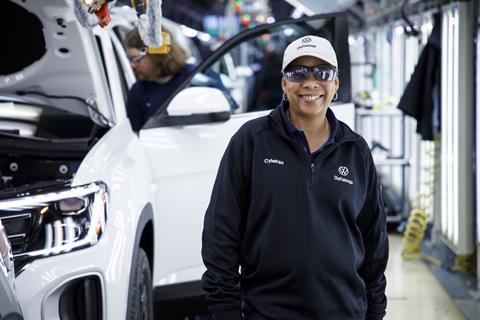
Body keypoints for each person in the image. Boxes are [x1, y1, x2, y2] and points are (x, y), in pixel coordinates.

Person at [201, 35, 389, 319]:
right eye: (298, 72)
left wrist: (375, 313)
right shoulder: (251, 141)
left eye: (323, 73)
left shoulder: (355, 150)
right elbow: (221, 236)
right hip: (266, 313)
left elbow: (374, 245)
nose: (310, 83)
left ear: (336, 84)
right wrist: (226, 312)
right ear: (284, 83)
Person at [124, 26, 196, 131]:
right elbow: (136, 135)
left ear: (157, 56)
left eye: (136, 59)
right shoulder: (138, 91)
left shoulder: (193, 77)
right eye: (129, 59)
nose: (132, 65)